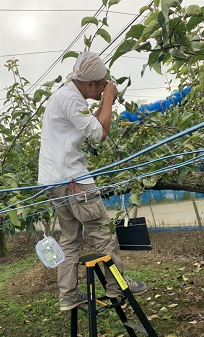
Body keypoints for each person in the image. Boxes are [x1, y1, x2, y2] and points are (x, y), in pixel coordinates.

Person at [38, 52, 147, 311]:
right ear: (89, 84)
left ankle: (68, 296)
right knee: (103, 233)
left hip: (55, 182)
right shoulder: (70, 99)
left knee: (70, 238)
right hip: (75, 181)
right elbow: (100, 133)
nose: (103, 89)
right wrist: (109, 99)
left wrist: (104, 103)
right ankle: (117, 286)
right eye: (101, 85)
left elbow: (91, 125)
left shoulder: (66, 97)